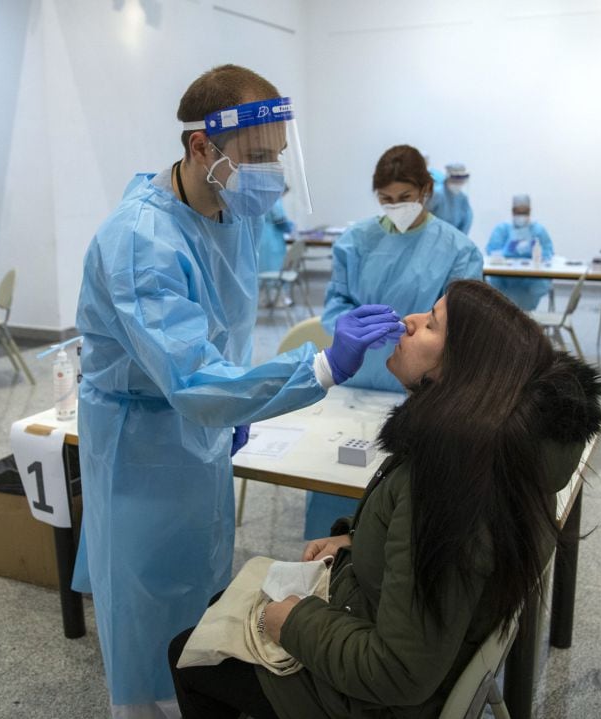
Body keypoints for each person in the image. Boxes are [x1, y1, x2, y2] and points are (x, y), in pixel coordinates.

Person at [74, 64, 404, 719]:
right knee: (147, 599)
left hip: (200, 430)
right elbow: (193, 380)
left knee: (202, 576)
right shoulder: (142, 241)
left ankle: (198, 692)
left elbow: (224, 332)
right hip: (141, 441)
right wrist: (318, 368)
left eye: (278, 156)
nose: (271, 173)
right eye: (257, 157)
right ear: (202, 147)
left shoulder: (233, 211)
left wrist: (238, 400)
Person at [168, 279, 601, 719]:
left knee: (186, 653)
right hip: (396, 633)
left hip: (376, 700)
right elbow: (429, 562)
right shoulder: (498, 452)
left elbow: (398, 672)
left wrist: (290, 621)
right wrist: (356, 543)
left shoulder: (447, 481)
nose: (410, 321)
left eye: (432, 325)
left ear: (461, 373)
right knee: (218, 610)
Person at [310, 145, 483, 538]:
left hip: (420, 390)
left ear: (425, 190)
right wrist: (354, 330)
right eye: (386, 200)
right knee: (331, 476)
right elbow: (337, 302)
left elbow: (461, 328)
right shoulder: (355, 241)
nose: (396, 206)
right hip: (353, 381)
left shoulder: (458, 250)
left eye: (405, 198)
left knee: (400, 504)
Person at [486, 194, 555, 310]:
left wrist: (537, 253)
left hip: (530, 282)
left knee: (523, 309)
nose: (521, 215)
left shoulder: (538, 230)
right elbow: (492, 252)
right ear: (513, 211)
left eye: (524, 212)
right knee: (505, 309)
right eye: (518, 212)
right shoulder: (502, 229)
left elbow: (548, 252)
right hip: (504, 281)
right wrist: (507, 251)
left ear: (530, 211)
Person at [429, 162, 473, 233]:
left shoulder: (462, 198)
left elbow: (466, 222)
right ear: (448, 177)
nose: (458, 182)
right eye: (456, 179)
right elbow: (422, 217)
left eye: (461, 179)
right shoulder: (437, 193)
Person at [258, 190, 294, 275]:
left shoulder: (260, 197)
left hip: (260, 236)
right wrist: (290, 227)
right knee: (273, 268)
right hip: (271, 239)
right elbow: (280, 221)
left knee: (261, 268)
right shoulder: (273, 200)